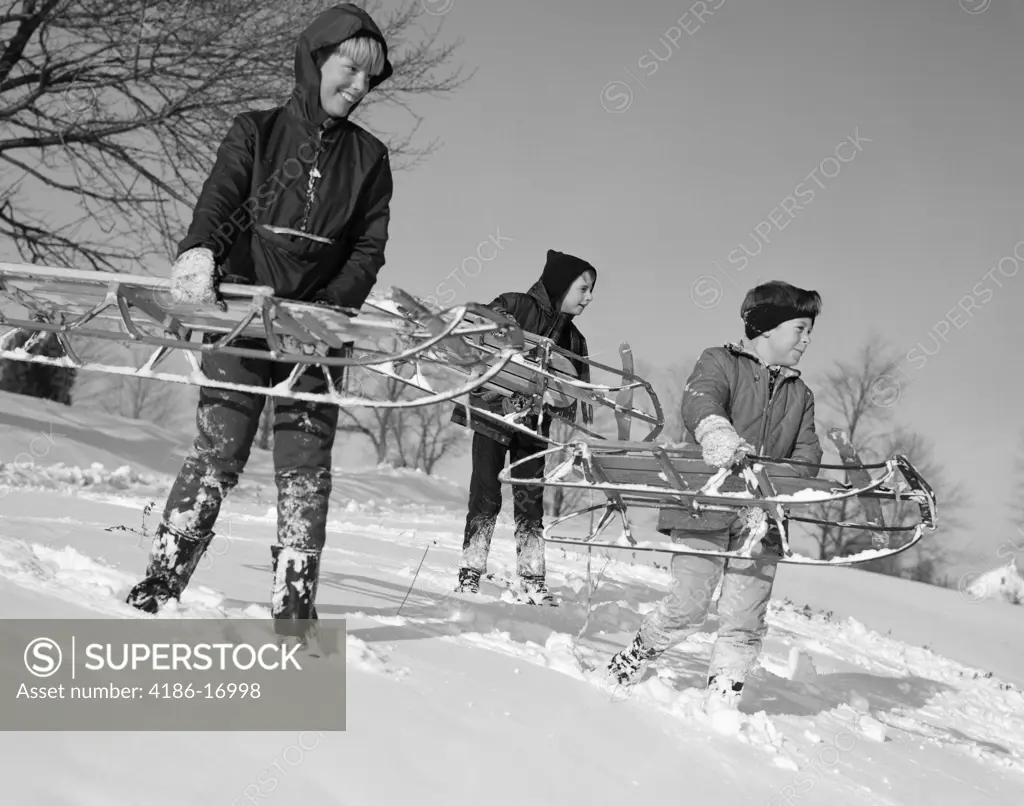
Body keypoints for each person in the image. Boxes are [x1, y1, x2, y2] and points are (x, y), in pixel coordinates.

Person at [125, 4, 394, 632]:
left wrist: (332, 308)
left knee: (305, 466)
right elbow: (222, 199)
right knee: (221, 446)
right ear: (315, 59)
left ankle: (294, 607)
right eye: (349, 69)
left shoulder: (370, 158)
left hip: (317, 329)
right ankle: (164, 577)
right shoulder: (256, 130)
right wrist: (200, 253)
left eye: (368, 79)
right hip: (242, 314)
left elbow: (368, 246)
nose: (357, 87)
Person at [607, 280, 823, 713]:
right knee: (689, 604)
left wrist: (776, 481)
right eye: (799, 328)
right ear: (766, 327)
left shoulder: (801, 395)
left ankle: (724, 695)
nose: (807, 338)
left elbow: (807, 457)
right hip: (702, 504)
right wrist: (714, 429)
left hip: (761, 519)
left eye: (809, 330)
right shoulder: (720, 362)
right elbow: (700, 399)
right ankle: (632, 659)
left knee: (746, 617)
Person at [450, 250, 598, 604]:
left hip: (534, 426)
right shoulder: (516, 305)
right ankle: (471, 571)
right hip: (493, 412)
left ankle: (532, 576)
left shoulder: (574, 341)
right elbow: (482, 330)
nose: (588, 298)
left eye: (591, 290)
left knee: (530, 498)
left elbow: (571, 398)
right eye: (583, 288)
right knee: (485, 492)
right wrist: (502, 327)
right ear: (562, 286)